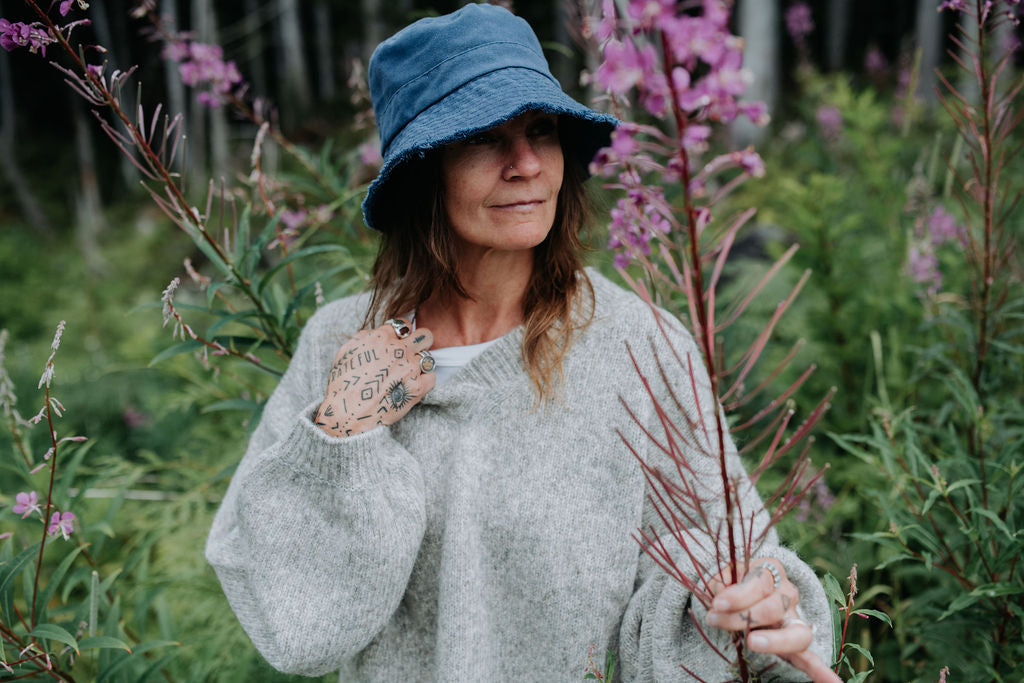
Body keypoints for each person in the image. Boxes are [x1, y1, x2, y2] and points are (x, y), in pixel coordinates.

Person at [206, 4, 840, 681]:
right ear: (423, 169)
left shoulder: (638, 345)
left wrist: (752, 601)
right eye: (484, 137)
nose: (527, 163)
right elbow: (298, 623)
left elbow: (733, 562)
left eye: (542, 129)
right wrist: (342, 429)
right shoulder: (338, 344)